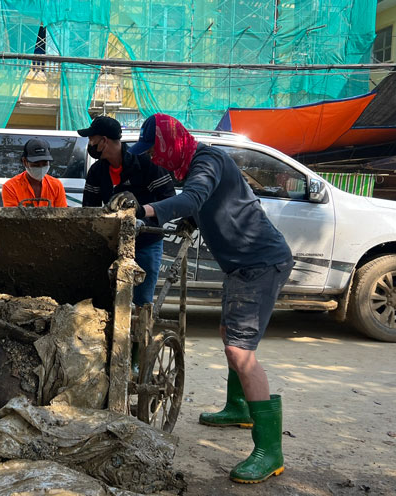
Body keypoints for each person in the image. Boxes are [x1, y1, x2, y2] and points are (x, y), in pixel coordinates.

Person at [120, 113, 294, 484]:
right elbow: (204, 206)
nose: (155, 159)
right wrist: (184, 221)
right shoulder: (192, 166)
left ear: (171, 142)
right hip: (242, 266)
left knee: (240, 351)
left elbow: (194, 197)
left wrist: (144, 209)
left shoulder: (208, 160)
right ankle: (239, 406)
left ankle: (270, 451)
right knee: (228, 333)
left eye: (156, 150)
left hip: (261, 263)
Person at [78, 115, 175, 306]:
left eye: (92, 139)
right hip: (111, 245)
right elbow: (88, 210)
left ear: (104, 141)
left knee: (141, 305)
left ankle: (139, 335)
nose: (89, 144)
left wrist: (144, 221)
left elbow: (170, 202)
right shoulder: (97, 172)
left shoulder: (148, 165)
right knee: (107, 303)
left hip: (146, 243)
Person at [1, 138, 68, 207]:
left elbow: (62, 214)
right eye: (36, 164)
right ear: (25, 162)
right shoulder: (10, 187)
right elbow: (11, 216)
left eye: (45, 163)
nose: (41, 167)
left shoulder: (56, 186)